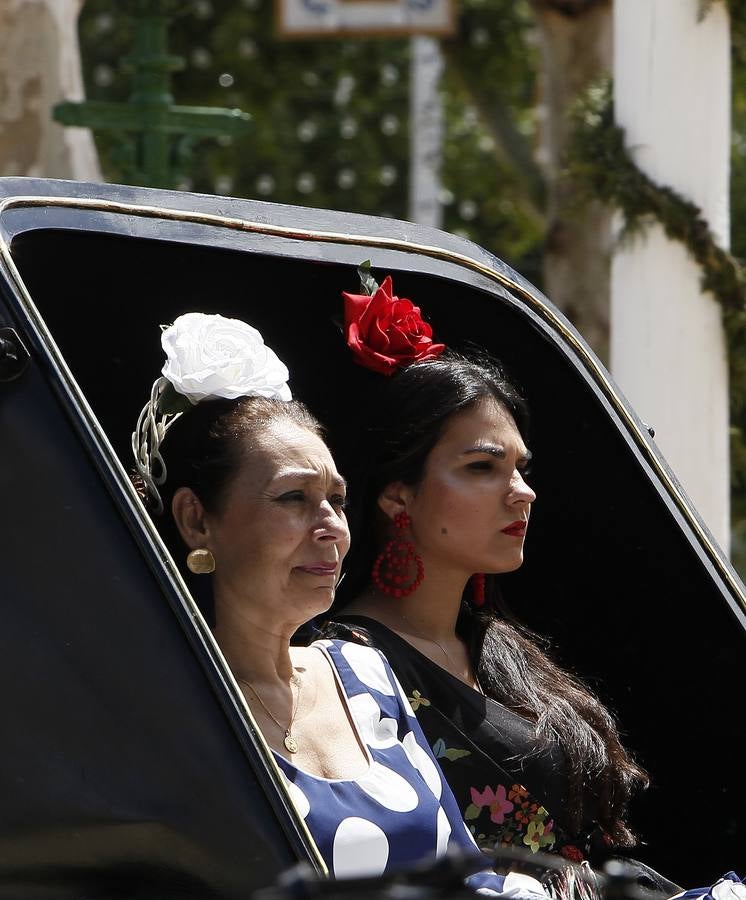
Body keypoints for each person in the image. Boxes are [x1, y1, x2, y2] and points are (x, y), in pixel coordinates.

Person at [322, 266, 742, 899]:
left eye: (520, 468)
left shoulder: (504, 650)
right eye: (482, 467)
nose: (522, 492)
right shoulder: (342, 665)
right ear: (396, 493)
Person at [129, 310, 548, 897]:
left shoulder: (364, 672)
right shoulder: (170, 712)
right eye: (294, 498)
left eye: (337, 500)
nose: (331, 527)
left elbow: (471, 879)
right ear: (197, 520)